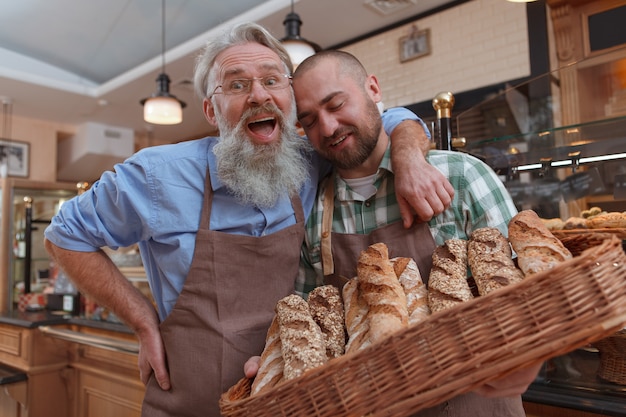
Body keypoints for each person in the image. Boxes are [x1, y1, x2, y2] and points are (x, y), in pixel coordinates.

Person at [43, 23, 453, 417]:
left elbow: (385, 116)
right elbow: (63, 236)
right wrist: (143, 321)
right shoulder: (156, 175)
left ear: (290, 102)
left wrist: (408, 155)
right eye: (237, 84)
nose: (259, 94)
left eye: (273, 80)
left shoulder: (308, 158)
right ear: (210, 109)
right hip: (190, 403)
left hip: (295, 401)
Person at [288, 50, 540, 416]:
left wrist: (527, 354)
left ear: (373, 88)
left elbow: (528, 291)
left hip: (481, 399)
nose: (327, 128)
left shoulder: (462, 176)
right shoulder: (314, 216)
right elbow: (318, 333)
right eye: (309, 121)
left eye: (336, 104)